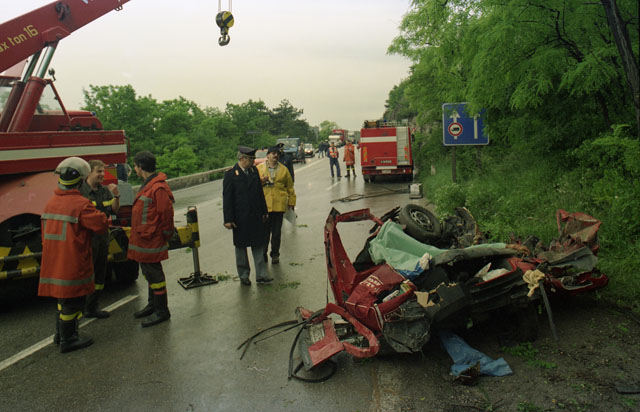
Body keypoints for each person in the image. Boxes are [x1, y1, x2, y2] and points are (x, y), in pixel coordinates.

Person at [38, 157, 109, 353]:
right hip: (72, 259)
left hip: (54, 259)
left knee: (62, 299)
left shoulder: (51, 202)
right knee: (73, 300)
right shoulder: (80, 204)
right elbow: (101, 224)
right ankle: (68, 339)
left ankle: (60, 334)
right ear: (80, 181)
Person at [128, 151, 175, 327]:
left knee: (155, 275)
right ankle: (153, 305)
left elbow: (166, 214)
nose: (135, 169)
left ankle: (162, 310)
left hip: (151, 239)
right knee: (148, 273)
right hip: (144, 238)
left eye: (135, 166)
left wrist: (166, 235)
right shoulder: (148, 185)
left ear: (140, 167)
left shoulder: (157, 188)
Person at [223, 146, 272, 285]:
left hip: (255, 215)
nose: (253, 161)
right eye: (251, 159)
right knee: (241, 248)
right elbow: (227, 199)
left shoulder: (253, 171)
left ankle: (261, 274)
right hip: (240, 218)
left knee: (258, 245)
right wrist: (228, 219)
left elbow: (260, 193)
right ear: (243, 159)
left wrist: (264, 211)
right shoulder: (231, 174)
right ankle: (244, 275)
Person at [80, 159, 120, 319]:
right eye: (99, 171)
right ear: (89, 172)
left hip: (102, 237)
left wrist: (116, 195)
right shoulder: (80, 191)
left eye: (103, 171)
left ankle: (92, 307)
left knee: (99, 273)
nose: (103, 174)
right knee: (85, 273)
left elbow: (114, 210)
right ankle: (79, 307)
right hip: (86, 239)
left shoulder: (104, 191)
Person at [257, 146, 296, 264]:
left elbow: (290, 187)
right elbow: (253, 186)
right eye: (273, 153)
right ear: (267, 155)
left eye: (277, 154)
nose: (275, 155)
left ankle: (275, 254)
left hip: (279, 206)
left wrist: (291, 202)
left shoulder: (284, 170)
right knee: (264, 233)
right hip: (264, 206)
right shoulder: (259, 168)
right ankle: (262, 254)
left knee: (276, 233)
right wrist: (262, 181)